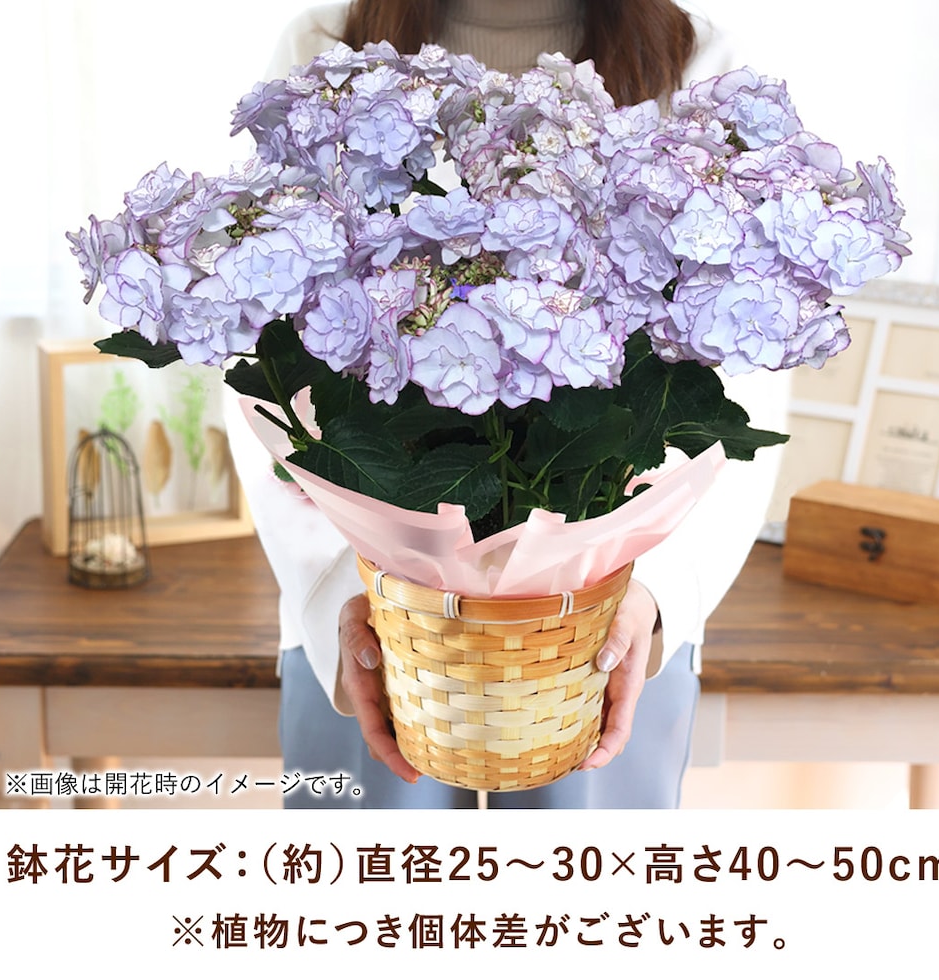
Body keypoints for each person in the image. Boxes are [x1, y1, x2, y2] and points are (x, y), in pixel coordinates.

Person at [226, 0, 790, 808]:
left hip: (610, 627)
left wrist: (656, 596)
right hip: (376, 622)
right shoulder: (326, 49)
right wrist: (345, 597)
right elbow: (264, 338)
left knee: (584, 888)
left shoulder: (697, 62)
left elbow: (747, 372)